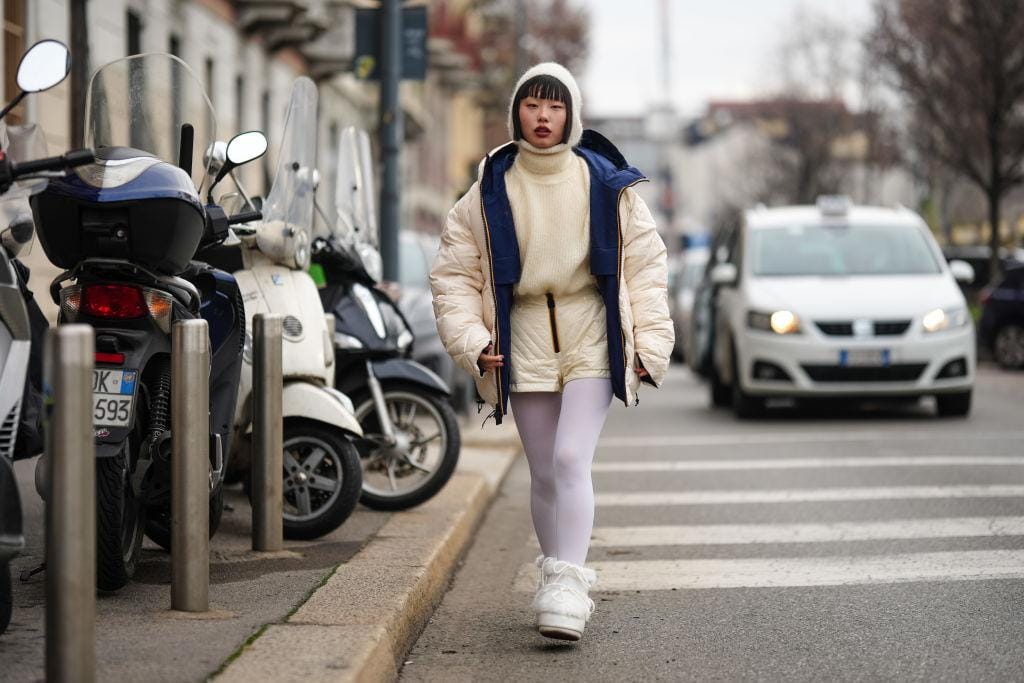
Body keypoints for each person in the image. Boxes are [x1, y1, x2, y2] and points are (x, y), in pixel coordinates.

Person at [430, 62, 673, 642]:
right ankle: (553, 578)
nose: (543, 117)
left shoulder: (605, 181)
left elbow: (645, 266)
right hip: (522, 337)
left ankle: (569, 585)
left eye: (556, 106)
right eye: (533, 105)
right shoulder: (490, 185)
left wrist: (652, 344)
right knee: (542, 471)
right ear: (517, 111)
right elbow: (454, 273)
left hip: (593, 329)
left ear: (573, 114)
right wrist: (474, 341)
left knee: (569, 461)